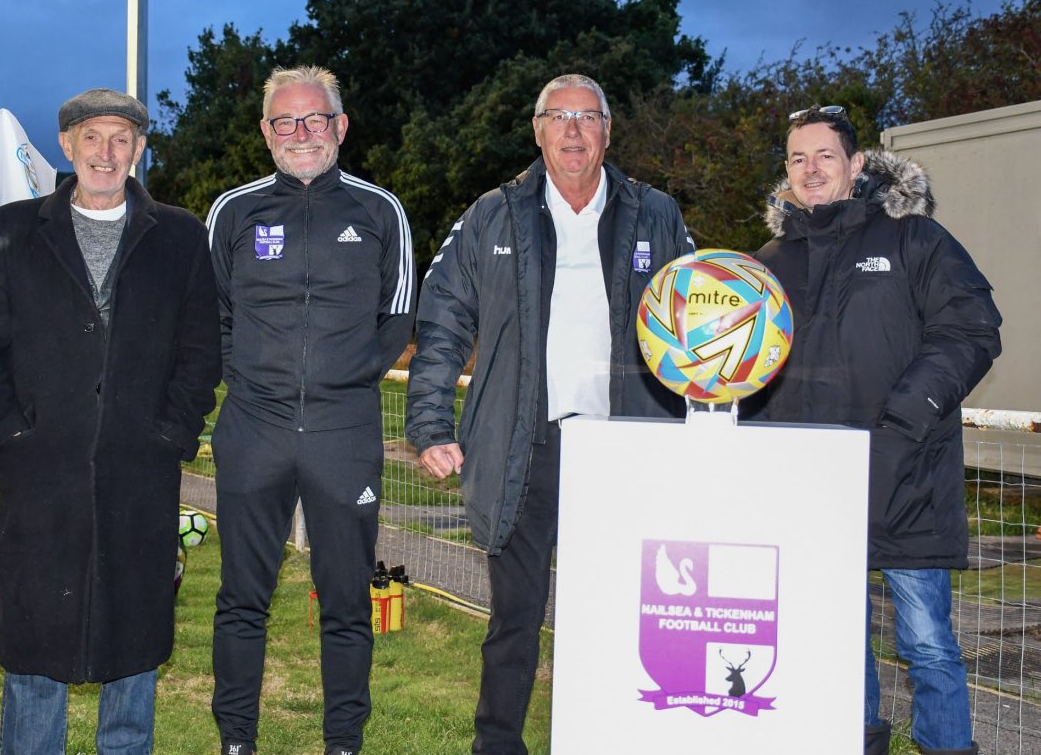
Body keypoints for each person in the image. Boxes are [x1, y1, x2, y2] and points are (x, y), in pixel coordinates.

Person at [405, 73, 694, 754]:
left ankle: (615, 738)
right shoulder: (492, 214)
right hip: (523, 447)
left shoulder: (655, 213)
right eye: (558, 116)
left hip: (624, 448)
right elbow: (442, 321)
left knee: (623, 611)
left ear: (607, 131)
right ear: (536, 130)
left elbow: (696, 323)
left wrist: (702, 427)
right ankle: (497, 743)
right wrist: (430, 424)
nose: (572, 130)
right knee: (515, 617)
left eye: (587, 116)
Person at [0, 88, 223, 755]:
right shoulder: (10, 231)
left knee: (133, 635)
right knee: (36, 636)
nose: (107, 152)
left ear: (139, 148)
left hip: (141, 469)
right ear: (67, 144)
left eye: (121, 139)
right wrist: (8, 432)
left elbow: (200, 348)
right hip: (38, 470)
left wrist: (172, 432)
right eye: (92, 137)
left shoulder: (180, 236)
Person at [747, 105, 1001, 755]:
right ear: (786, 169)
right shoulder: (769, 261)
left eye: (824, 156)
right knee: (836, 640)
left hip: (904, 476)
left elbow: (970, 329)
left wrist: (900, 423)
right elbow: (748, 364)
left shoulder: (913, 238)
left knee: (927, 645)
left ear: (855, 164)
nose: (810, 169)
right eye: (798, 158)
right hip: (815, 490)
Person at [206, 66, 415, 755]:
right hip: (253, 430)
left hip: (343, 434)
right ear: (266, 132)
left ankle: (343, 742)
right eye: (286, 122)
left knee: (348, 603)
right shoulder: (232, 211)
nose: (302, 134)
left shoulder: (380, 210)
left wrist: (345, 382)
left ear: (340, 126)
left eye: (315, 119)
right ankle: (236, 741)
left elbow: (398, 314)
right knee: (242, 599)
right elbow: (213, 313)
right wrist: (250, 380)